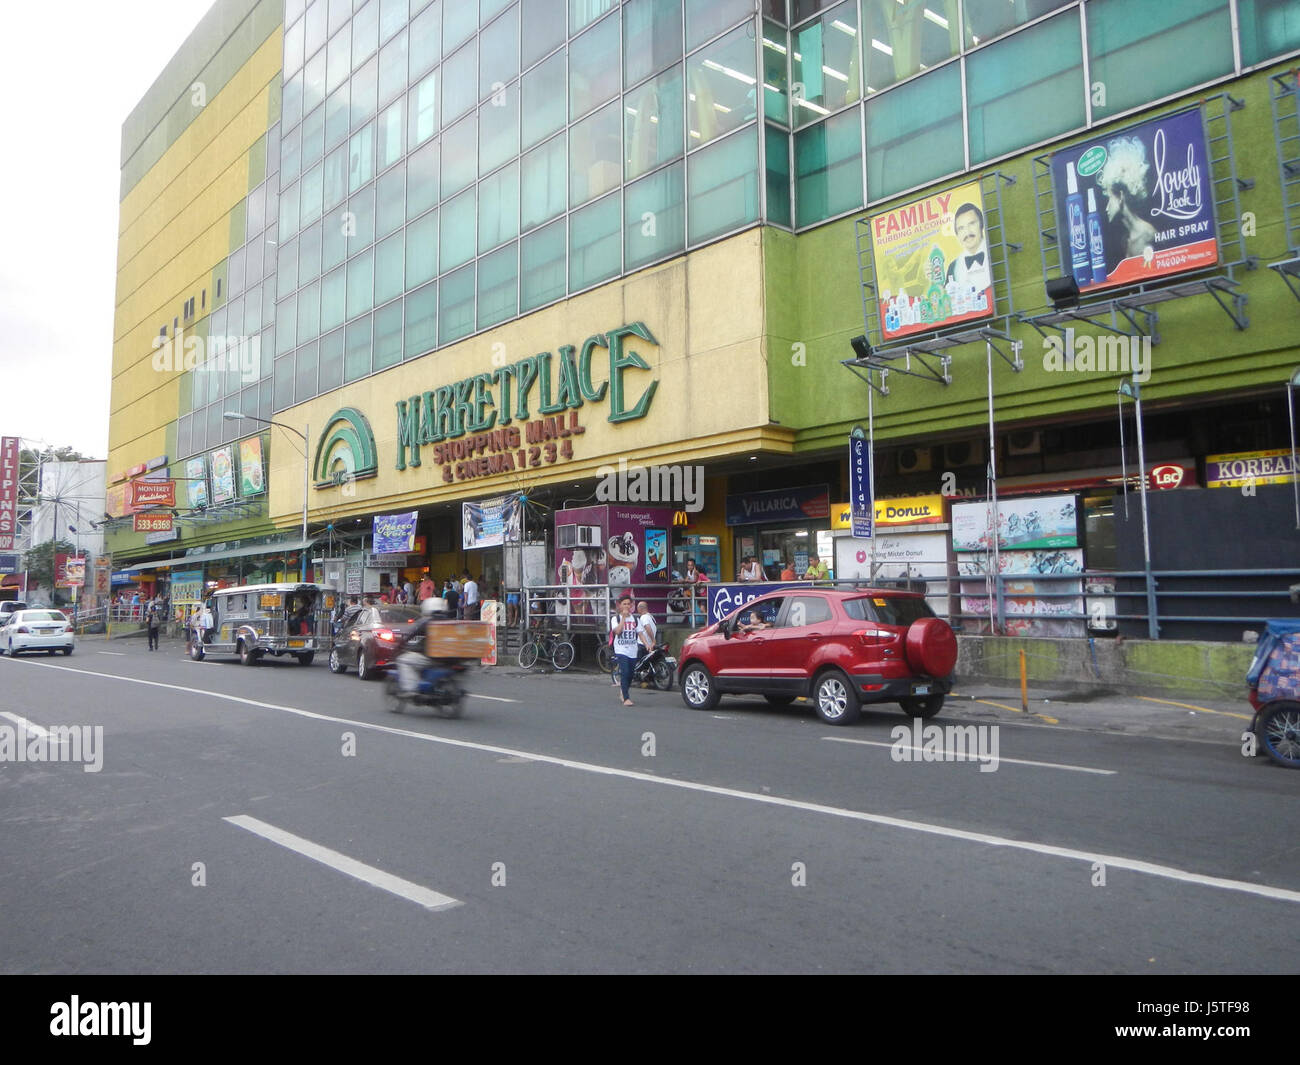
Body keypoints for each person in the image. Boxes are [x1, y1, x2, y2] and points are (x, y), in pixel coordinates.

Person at [945, 202, 992, 293]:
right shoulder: (953, 267)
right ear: (957, 235)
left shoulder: (992, 251)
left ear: (981, 224)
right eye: (961, 228)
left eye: (972, 223)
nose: (967, 232)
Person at [609, 595, 643, 706]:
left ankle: (623, 691)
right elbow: (618, 632)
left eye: (628, 604)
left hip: (633, 649)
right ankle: (626, 698)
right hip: (621, 649)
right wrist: (623, 618)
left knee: (631, 674)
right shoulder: (616, 619)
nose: (626, 606)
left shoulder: (635, 619)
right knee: (625, 672)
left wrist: (648, 643)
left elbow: (640, 633)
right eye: (624, 604)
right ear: (620, 605)